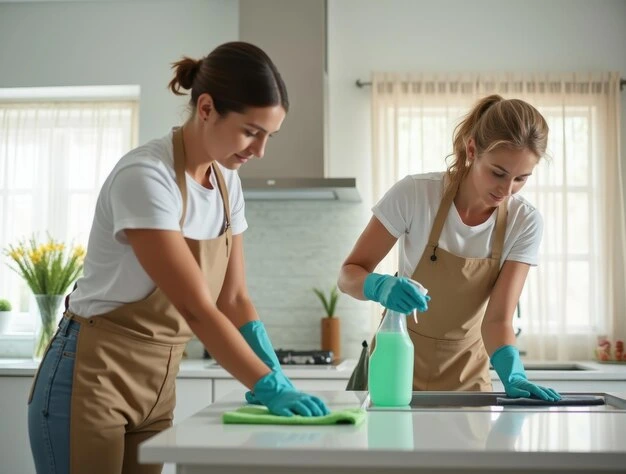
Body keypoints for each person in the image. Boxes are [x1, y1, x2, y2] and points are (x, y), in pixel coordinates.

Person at [27, 41, 330, 474]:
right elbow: (196, 308)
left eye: (268, 136)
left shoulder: (228, 185)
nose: (259, 150)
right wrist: (266, 385)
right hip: (91, 378)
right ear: (206, 108)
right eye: (250, 131)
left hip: (157, 385)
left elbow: (235, 298)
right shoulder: (146, 177)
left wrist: (273, 370)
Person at [339, 94, 561, 401]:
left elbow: (497, 320)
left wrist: (514, 374)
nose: (506, 190)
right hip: (396, 363)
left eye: (521, 178)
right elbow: (349, 275)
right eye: (498, 173)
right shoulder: (415, 194)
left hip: (467, 373)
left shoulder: (524, 222)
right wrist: (379, 286)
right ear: (472, 150)